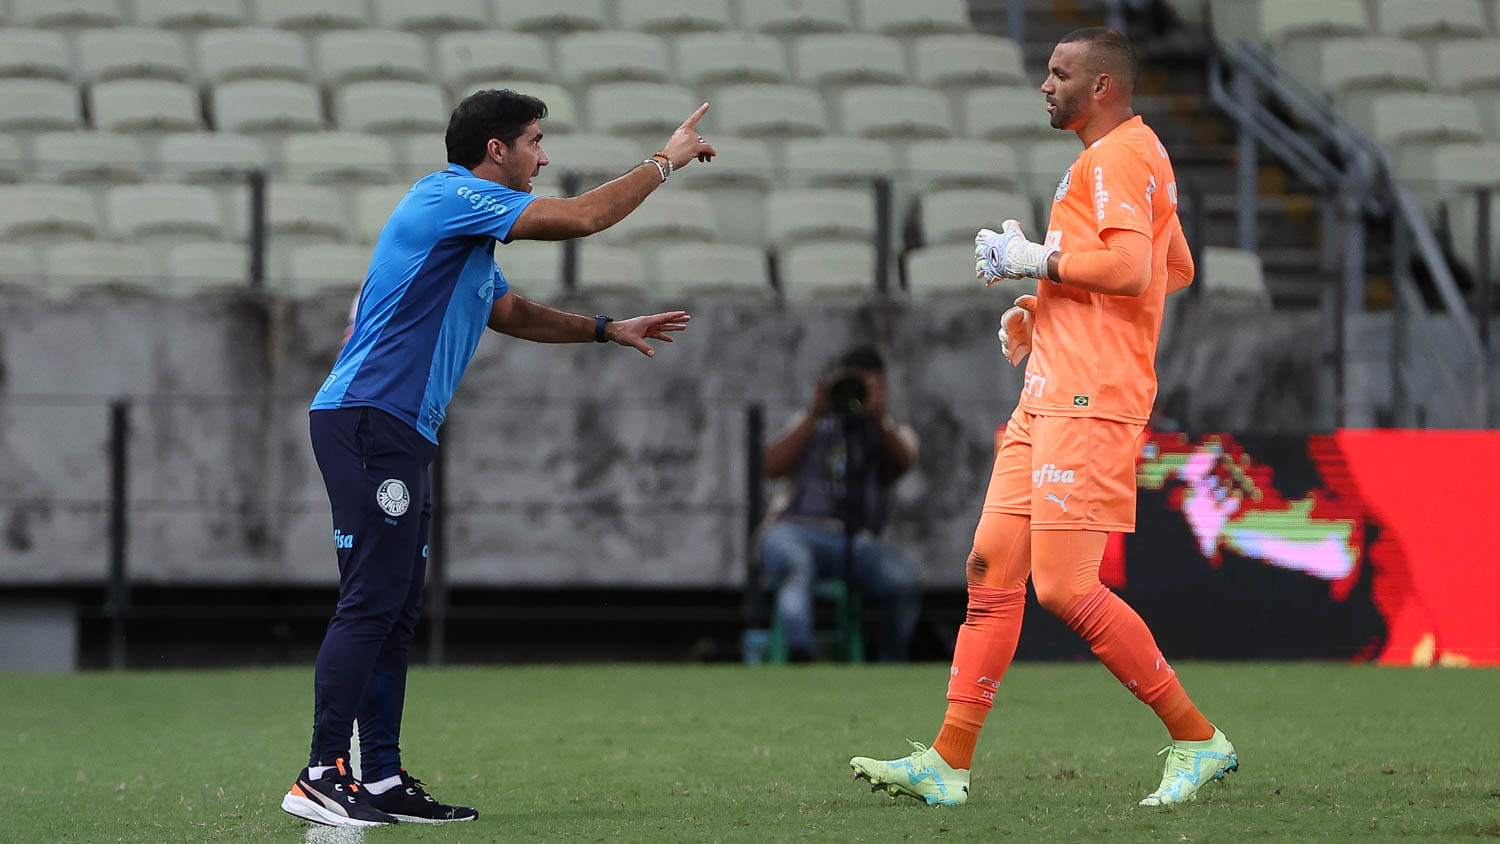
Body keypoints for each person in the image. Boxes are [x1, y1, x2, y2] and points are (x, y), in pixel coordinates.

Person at [280, 89, 715, 829]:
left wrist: (606, 329)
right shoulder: (450, 199)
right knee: (371, 600)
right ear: (497, 151)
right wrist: (663, 163)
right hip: (367, 421)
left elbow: (508, 311)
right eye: (536, 141)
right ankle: (322, 772)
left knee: (395, 608)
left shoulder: (468, 235)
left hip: (398, 427)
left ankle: (379, 777)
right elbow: (585, 217)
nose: (543, 156)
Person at [849, 28, 1234, 807]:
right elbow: (1175, 265)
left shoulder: (1119, 156)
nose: (1044, 86)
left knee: (1064, 587)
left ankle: (1198, 739)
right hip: (1051, 390)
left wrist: (1038, 262)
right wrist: (1049, 308)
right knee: (992, 571)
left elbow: (1132, 269)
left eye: (1060, 74)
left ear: (1102, 87)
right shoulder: (1132, 155)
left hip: (1090, 398)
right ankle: (948, 763)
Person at [758, 346, 922, 662]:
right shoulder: (811, 422)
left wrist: (877, 419)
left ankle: (893, 667)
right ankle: (800, 652)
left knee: (902, 580)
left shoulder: (893, 430)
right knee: (796, 564)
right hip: (797, 530)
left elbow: (903, 461)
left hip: (859, 542)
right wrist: (816, 412)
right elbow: (769, 467)